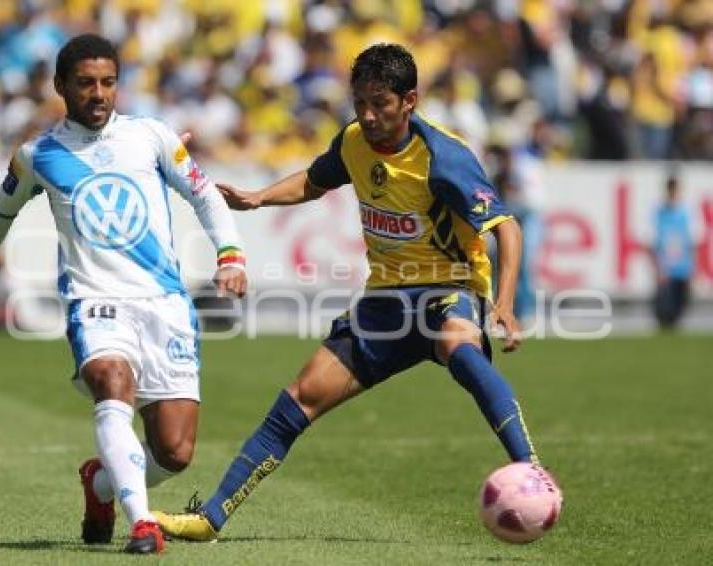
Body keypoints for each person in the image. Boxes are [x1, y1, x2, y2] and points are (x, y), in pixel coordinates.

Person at [155, 43, 543, 542]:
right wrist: (258, 198)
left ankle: (532, 473)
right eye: (359, 101)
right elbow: (315, 182)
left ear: (410, 100)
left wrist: (505, 304)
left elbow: (506, 229)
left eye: (380, 103)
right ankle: (211, 518)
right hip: (384, 301)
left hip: (449, 288)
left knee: (456, 346)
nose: (368, 114)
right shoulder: (355, 140)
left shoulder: (444, 158)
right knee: (301, 397)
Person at [0, 34, 248, 555]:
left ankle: (101, 483)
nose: (99, 93)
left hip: (164, 304)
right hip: (95, 300)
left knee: (174, 452)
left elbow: (203, 194)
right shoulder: (39, 155)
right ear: (61, 86)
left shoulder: (152, 136)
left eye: (108, 82)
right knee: (113, 379)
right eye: (86, 84)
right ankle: (142, 525)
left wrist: (231, 255)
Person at [652, 175, 694, 330]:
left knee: (681, 304)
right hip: (667, 266)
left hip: (682, 265)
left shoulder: (685, 213)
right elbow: (656, 241)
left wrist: (691, 267)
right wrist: (658, 265)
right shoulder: (660, 212)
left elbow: (690, 242)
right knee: (665, 308)